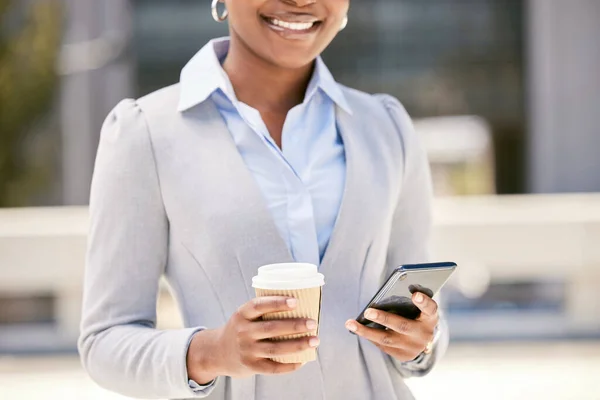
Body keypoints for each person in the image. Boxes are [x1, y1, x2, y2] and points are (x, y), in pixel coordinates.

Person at [78, 0, 449, 399]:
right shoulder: (145, 132)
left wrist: (420, 341)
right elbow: (104, 342)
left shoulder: (386, 127)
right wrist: (211, 352)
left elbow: (426, 325)